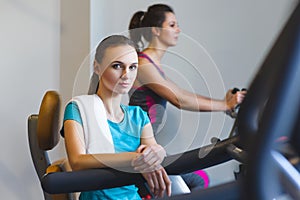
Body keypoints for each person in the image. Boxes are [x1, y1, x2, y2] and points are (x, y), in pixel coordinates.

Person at [127, 4, 246, 191]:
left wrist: (225, 104)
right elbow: (179, 99)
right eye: (172, 25)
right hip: (137, 147)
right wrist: (225, 104)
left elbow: (182, 93)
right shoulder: (143, 64)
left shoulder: (153, 64)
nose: (178, 30)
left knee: (200, 178)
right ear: (156, 30)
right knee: (197, 181)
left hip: (148, 145)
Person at [61, 35, 171, 199]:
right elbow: (78, 162)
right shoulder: (77, 109)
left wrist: (158, 152)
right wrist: (134, 159)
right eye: (117, 66)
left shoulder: (138, 116)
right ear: (97, 68)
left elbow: (152, 151)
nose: (126, 75)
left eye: (133, 67)